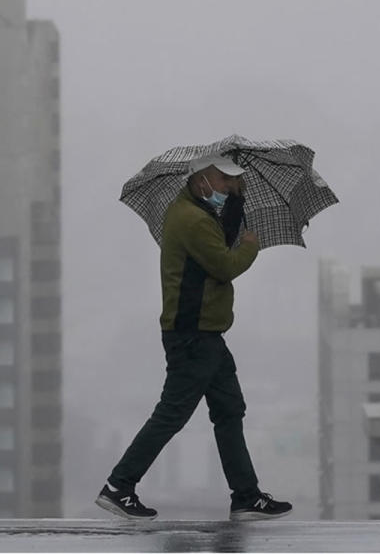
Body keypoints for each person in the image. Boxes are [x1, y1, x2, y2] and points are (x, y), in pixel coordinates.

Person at [96, 154, 293, 522]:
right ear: (201, 179)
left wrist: (236, 204)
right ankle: (118, 486)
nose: (227, 188)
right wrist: (249, 244)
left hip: (207, 335)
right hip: (193, 335)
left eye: (232, 183)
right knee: (172, 413)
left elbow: (218, 247)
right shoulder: (192, 220)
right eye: (222, 181)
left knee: (229, 409)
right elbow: (225, 265)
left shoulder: (198, 214)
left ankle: (246, 496)